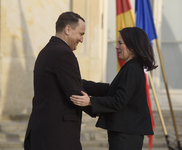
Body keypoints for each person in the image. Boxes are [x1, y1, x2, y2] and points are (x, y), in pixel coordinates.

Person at [70, 27, 158, 150]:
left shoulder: (132, 69)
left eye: (120, 43)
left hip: (126, 135)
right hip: (126, 133)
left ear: (132, 47)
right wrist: (78, 83)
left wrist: (90, 101)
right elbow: (111, 89)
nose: (116, 47)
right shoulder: (132, 67)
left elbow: (119, 100)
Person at [24, 11, 94, 150]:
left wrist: (109, 88)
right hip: (57, 138)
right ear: (68, 29)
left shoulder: (47, 51)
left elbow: (75, 82)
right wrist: (105, 107)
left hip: (42, 134)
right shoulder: (63, 54)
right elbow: (75, 93)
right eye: (81, 34)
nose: (81, 40)